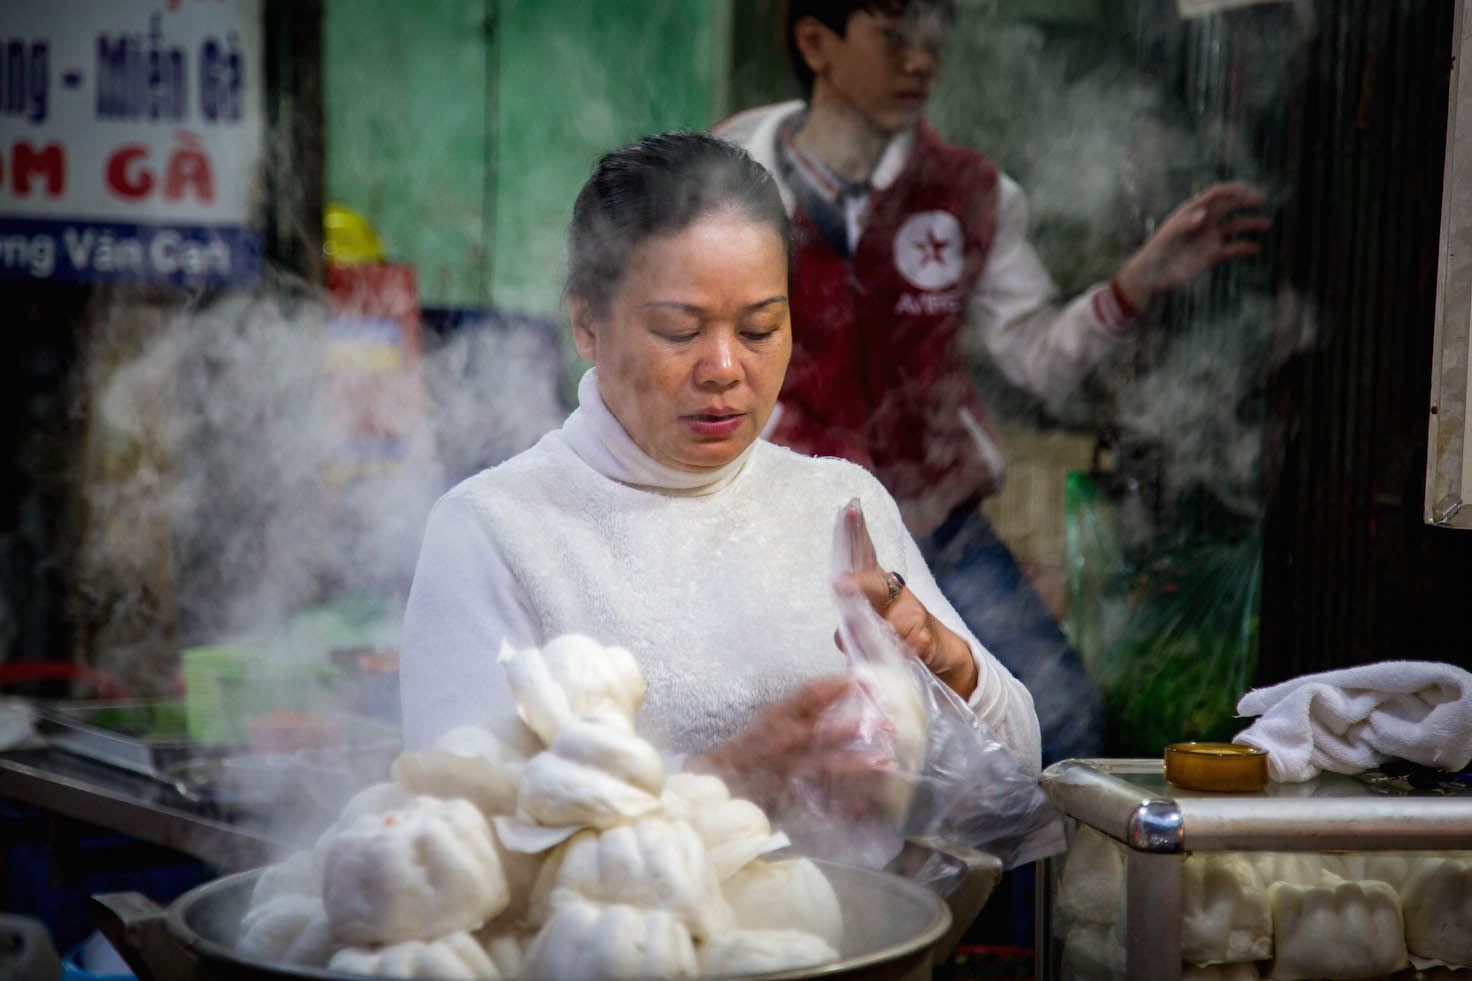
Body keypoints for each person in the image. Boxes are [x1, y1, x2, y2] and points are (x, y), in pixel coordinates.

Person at [398, 131, 1042, 813]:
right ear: (586, 323)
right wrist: (721, 778)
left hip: (859, 919)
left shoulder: (836, 501)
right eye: (680, 330)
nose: (726, 369)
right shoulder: (495, 529)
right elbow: (459, 826)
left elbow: (1015, 772)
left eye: (761, 329)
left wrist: (949, 667)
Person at [712, 0, 1271, 764]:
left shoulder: (972, 192)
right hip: (788, 525)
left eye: (935, 36)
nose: (922, 60)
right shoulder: (732, 180)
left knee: (1062, 722)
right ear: (816, 42)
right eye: (895, 35)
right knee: (833, 739)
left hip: (939, 529)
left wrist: (1137, 284)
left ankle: (1014, 888)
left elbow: (1036, 353)